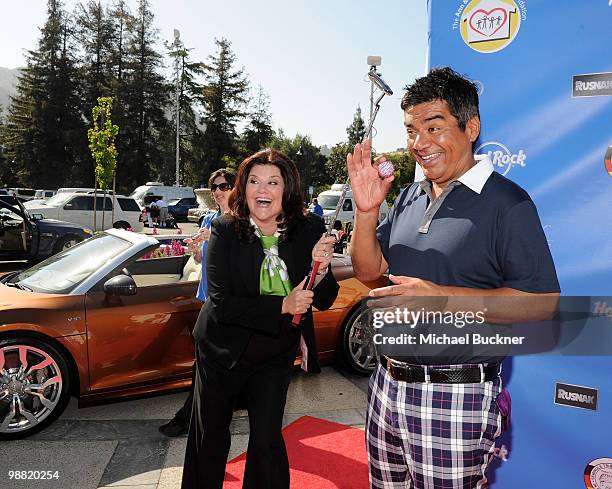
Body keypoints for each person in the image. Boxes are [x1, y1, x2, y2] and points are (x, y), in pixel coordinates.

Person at [347, 67, 560, 489]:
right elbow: (370, 272)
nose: (418, 143)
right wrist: (367, 212)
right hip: (385, 384)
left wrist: (442, 298)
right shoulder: (409, 195)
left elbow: (542, 303)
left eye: (434, 126)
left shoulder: (508, 203)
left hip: (454, 397)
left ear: (471, 127)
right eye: (411, 130)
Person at [182, 149, 339, 489]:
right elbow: (222, 303)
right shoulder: (224, 229)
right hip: (221, 350)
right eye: (253, 181)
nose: (261, 190)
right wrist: (284, 304)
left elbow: (325, 299)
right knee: (210, 437)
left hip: (274, 352)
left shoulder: (309, 227)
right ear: (243, 186)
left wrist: (321, 270)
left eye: (272, 181)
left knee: (267, 439)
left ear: (288, 189)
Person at [158, 168, 236, 438]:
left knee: (206, 366)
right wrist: (195, 249)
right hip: (207, 300)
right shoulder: (210, 218)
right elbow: (203, 262)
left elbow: (237, 262)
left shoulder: (241, 221)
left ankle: (189, 419)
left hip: (227, 305)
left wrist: (214, 239)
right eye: (214, 187)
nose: (218, 191)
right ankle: (199, 418)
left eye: (224, 186)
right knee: (205, 364)